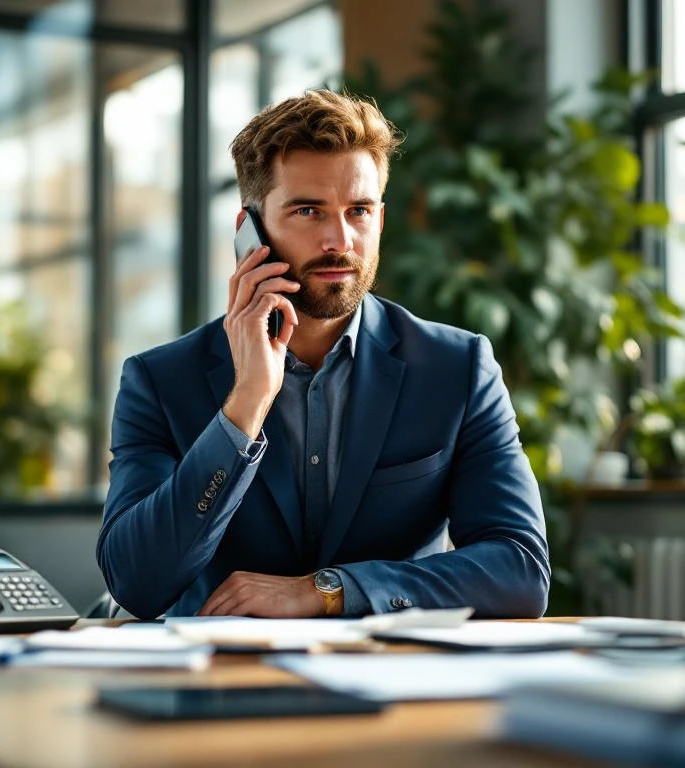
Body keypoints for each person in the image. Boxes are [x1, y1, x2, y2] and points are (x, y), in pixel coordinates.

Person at [97, 90, 549, 620]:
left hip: (399, 683)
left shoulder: (458, 368)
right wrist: (244, 406)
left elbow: (519, 570)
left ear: (379, 220)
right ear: (249, 230)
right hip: (225, 683)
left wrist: (328, 590)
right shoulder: (160, 380)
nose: (340, 240)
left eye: (358, 211)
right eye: (308, 210)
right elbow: (136, 582)